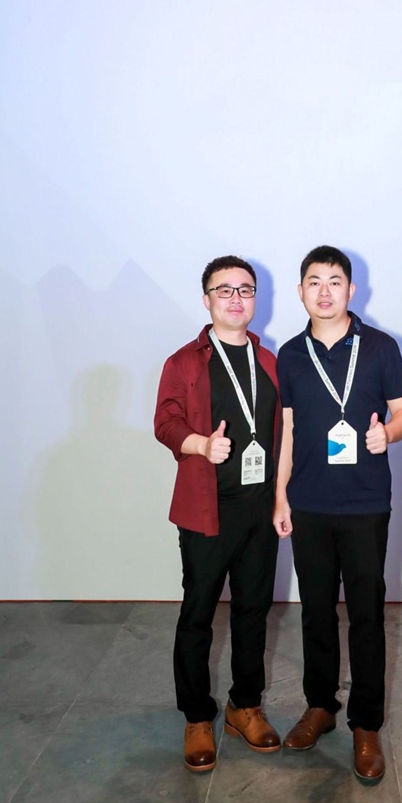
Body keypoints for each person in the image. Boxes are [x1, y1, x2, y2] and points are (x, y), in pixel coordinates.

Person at [274, 245, 402, 784]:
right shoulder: (290, 354)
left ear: (351, 290)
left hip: (363, 504)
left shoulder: (381, 347)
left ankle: (366, 724)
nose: (325, 291)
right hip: (309, 504)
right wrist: (281, 495)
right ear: (301, 291)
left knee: (366, 615)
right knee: (315, 612)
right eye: (314, 281)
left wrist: (389, 433)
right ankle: (320, 707)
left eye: (335, 281)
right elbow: (288, 430)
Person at [154, 255, 281, 772]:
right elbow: (165, 424)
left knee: (253, 611)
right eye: (224, 290)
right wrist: (200, 445)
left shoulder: (269, 360)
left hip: (259, 510)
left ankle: (244, 707)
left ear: (255, 299)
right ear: (206, 299)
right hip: (207, 511)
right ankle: (197, 716)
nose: (236, 298)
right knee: (198, 615)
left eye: (245, 289)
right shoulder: (184, 362)